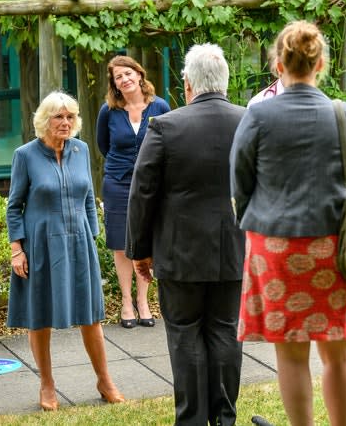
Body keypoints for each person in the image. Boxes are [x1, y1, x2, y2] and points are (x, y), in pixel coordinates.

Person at [230, 20, 346, 426]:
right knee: (338, 354)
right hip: (333, 247)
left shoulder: (257, 117)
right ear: (321, 64)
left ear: (278, 65)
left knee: (291, 355)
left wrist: (260, 219)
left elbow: (239, 185)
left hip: (274, 248)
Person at [126, 43, 246, 425]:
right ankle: (224, 418)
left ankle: (192, 419)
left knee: (185, 334)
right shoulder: (250, 122)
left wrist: (139, 250)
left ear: (187, 83)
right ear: (224, 81)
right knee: (226, 332)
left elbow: (142, 191)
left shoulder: (165, 125)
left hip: (180, 251)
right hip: (233, 248)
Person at [6, 91, 124, 411]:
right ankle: (47, 385)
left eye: (70, 117)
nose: (66, 122)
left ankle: (105, 380)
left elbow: (88, 197)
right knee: (39, 317)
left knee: (91, 316)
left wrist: (92, 234)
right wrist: (17, 250)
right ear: (45, 121)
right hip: (40, 245)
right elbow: (14, 205)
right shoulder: (25, 155)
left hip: (79, 243)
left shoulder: (81, 149)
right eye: (59, 117)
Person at [96, 55, 170, 329]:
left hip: (151, 184)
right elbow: (103, 145)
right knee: (119, 244)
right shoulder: (108, 111)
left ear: (139, 74)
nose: (124, 79)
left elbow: (168, 142)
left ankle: (143, 301)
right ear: (114, 84)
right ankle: (126, 302)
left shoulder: (160, 106)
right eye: (118, 77)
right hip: (118, 183)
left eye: (128, 73)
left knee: (145, 239)